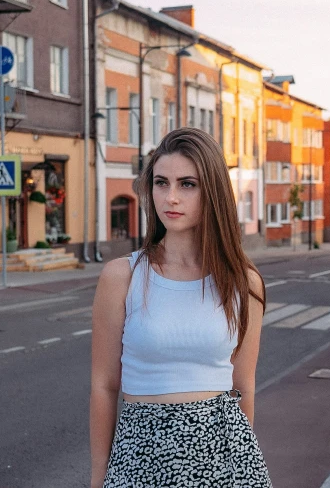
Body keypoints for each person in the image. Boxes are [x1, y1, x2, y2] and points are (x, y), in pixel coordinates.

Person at [89, 127, 272, 487]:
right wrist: (99, 479)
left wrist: (240, 465)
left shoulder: (243, 282)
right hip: (141, 456)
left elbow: (243, 387)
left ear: (213, 192)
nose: (170, 197)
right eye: (161, 182)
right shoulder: (122, 277)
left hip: (226, 459)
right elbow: (104, 386)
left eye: (187, 184)